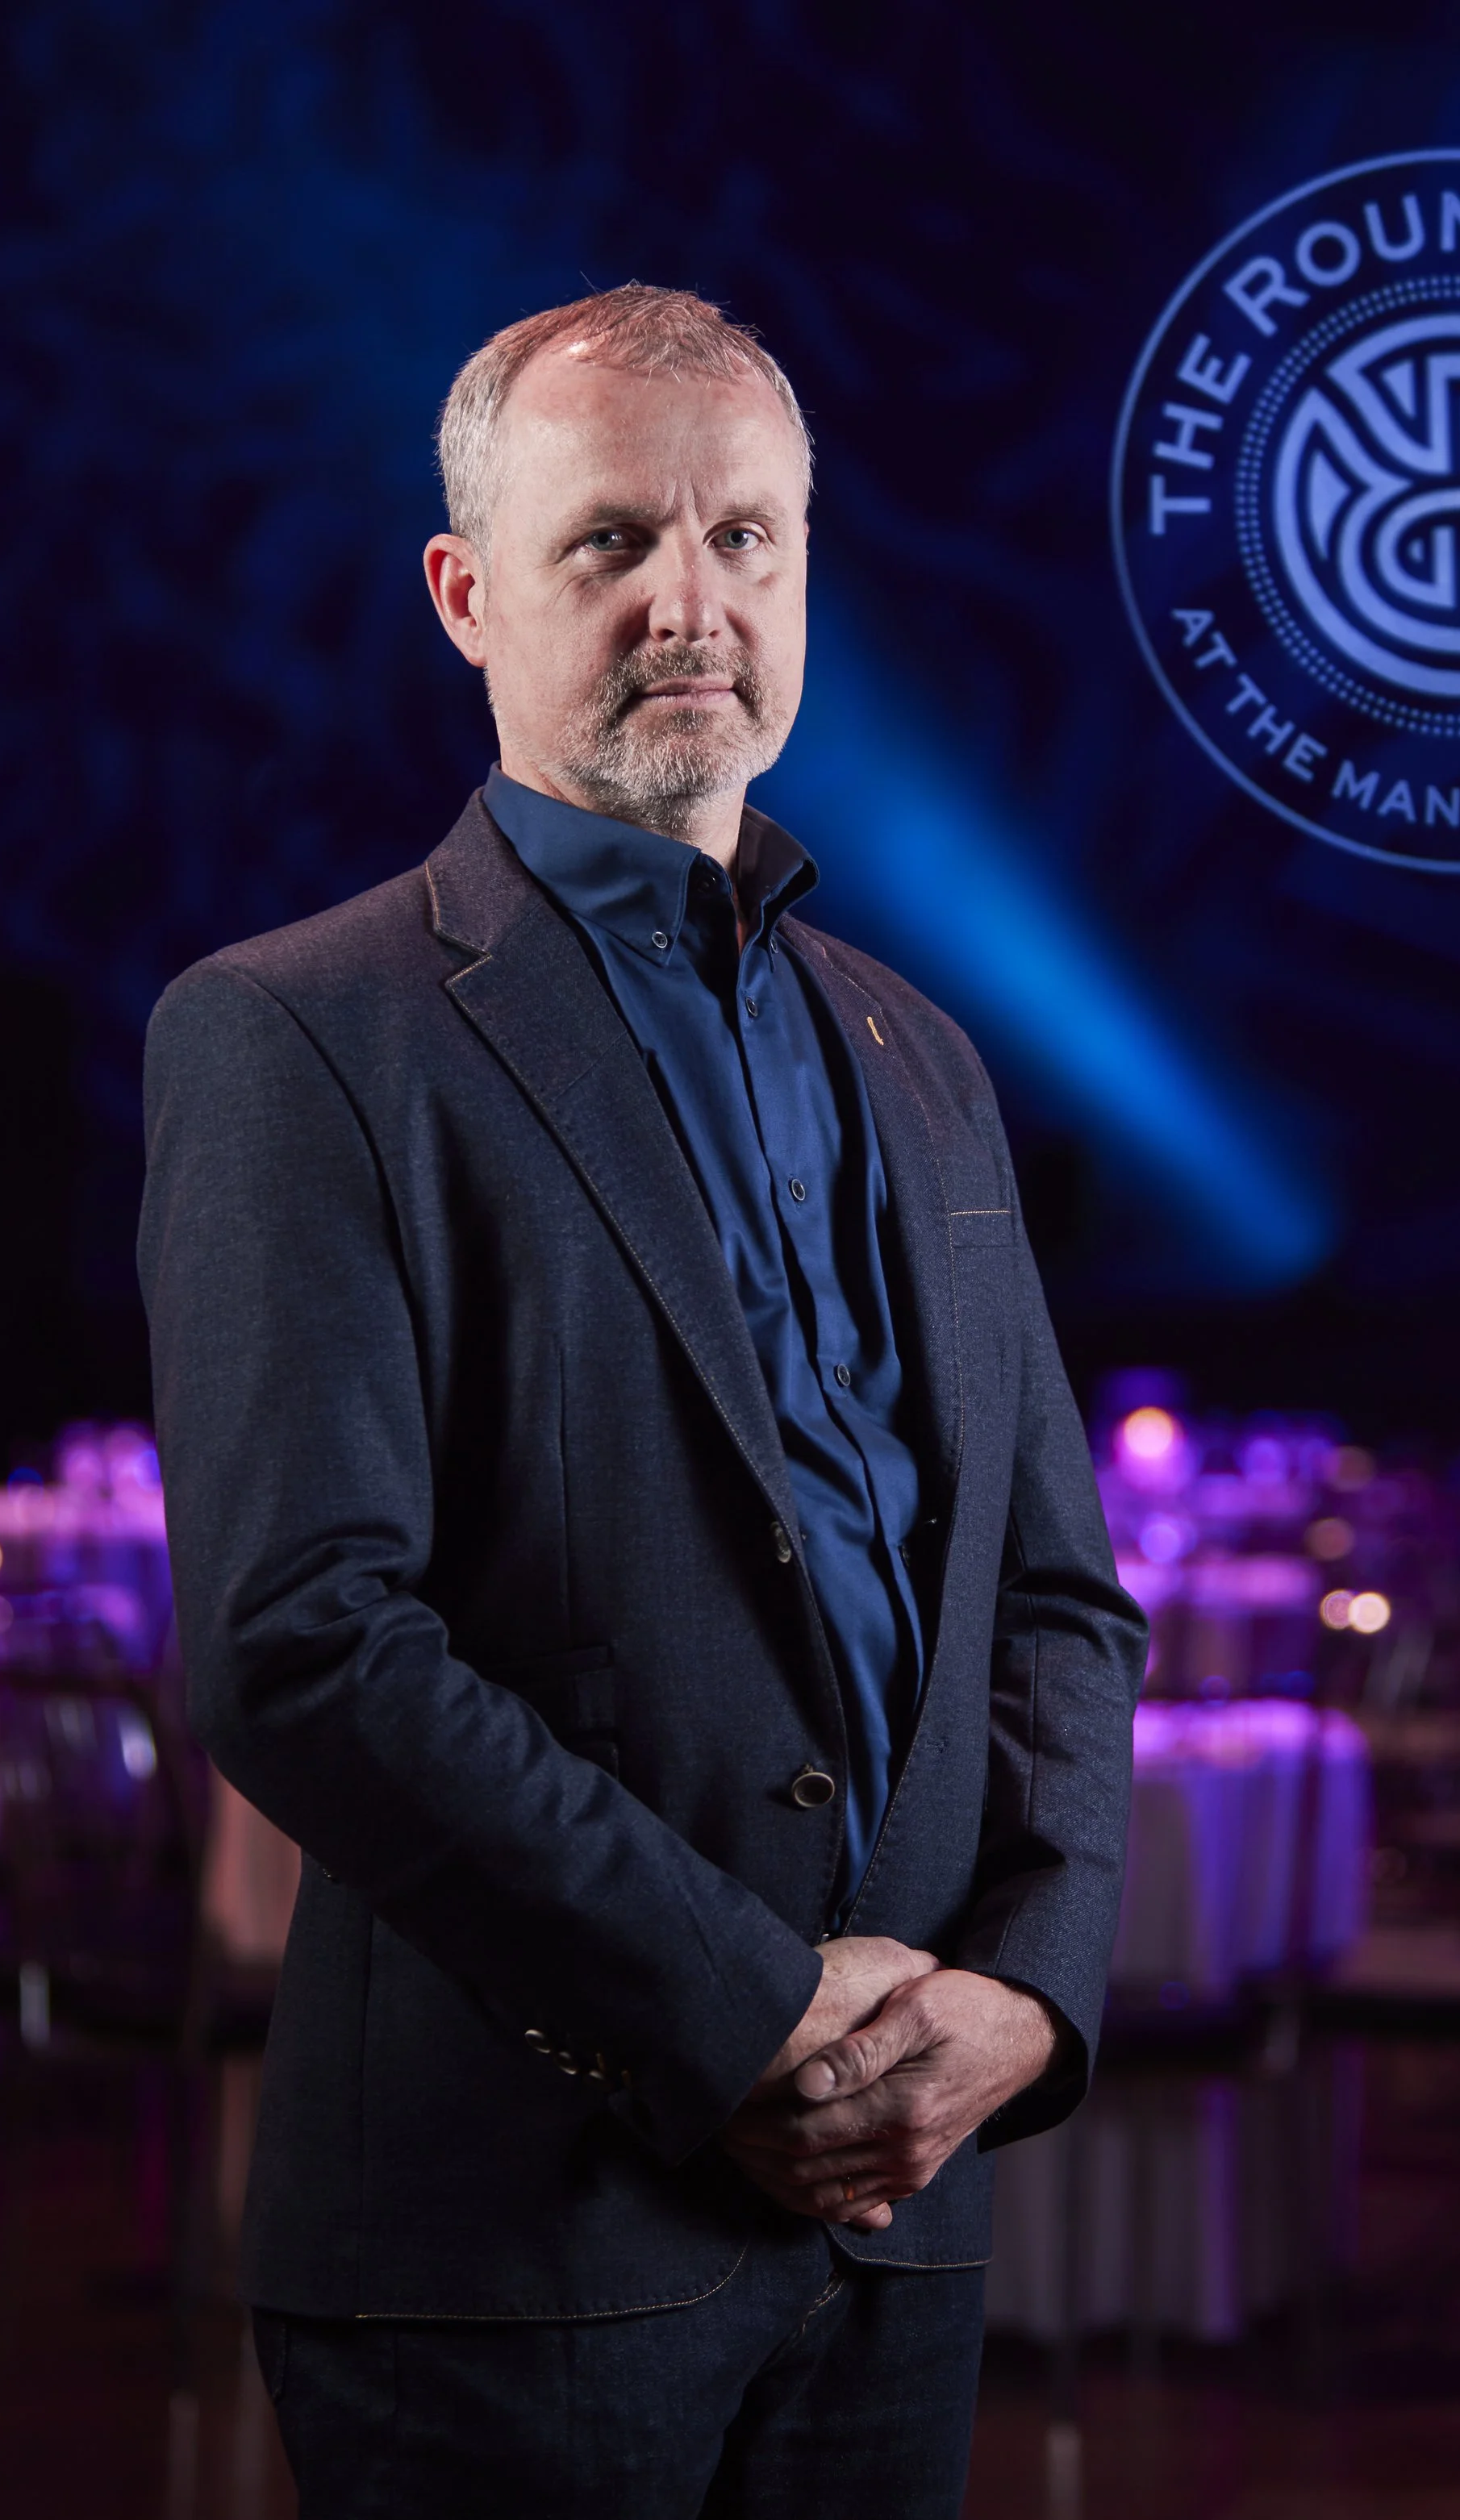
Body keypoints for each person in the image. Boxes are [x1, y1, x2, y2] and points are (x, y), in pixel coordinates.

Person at [137, 285, 1144, 2518]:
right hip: (509, 2249)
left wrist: (1026, 2003)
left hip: (897, 2229)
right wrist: (751, 2013)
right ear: (468, 592)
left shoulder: (927, 1057)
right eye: (612, 544)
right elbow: (303, 1640)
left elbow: (1057, 1603)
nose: (693, 602)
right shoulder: (296, 1034)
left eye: (747, 540)